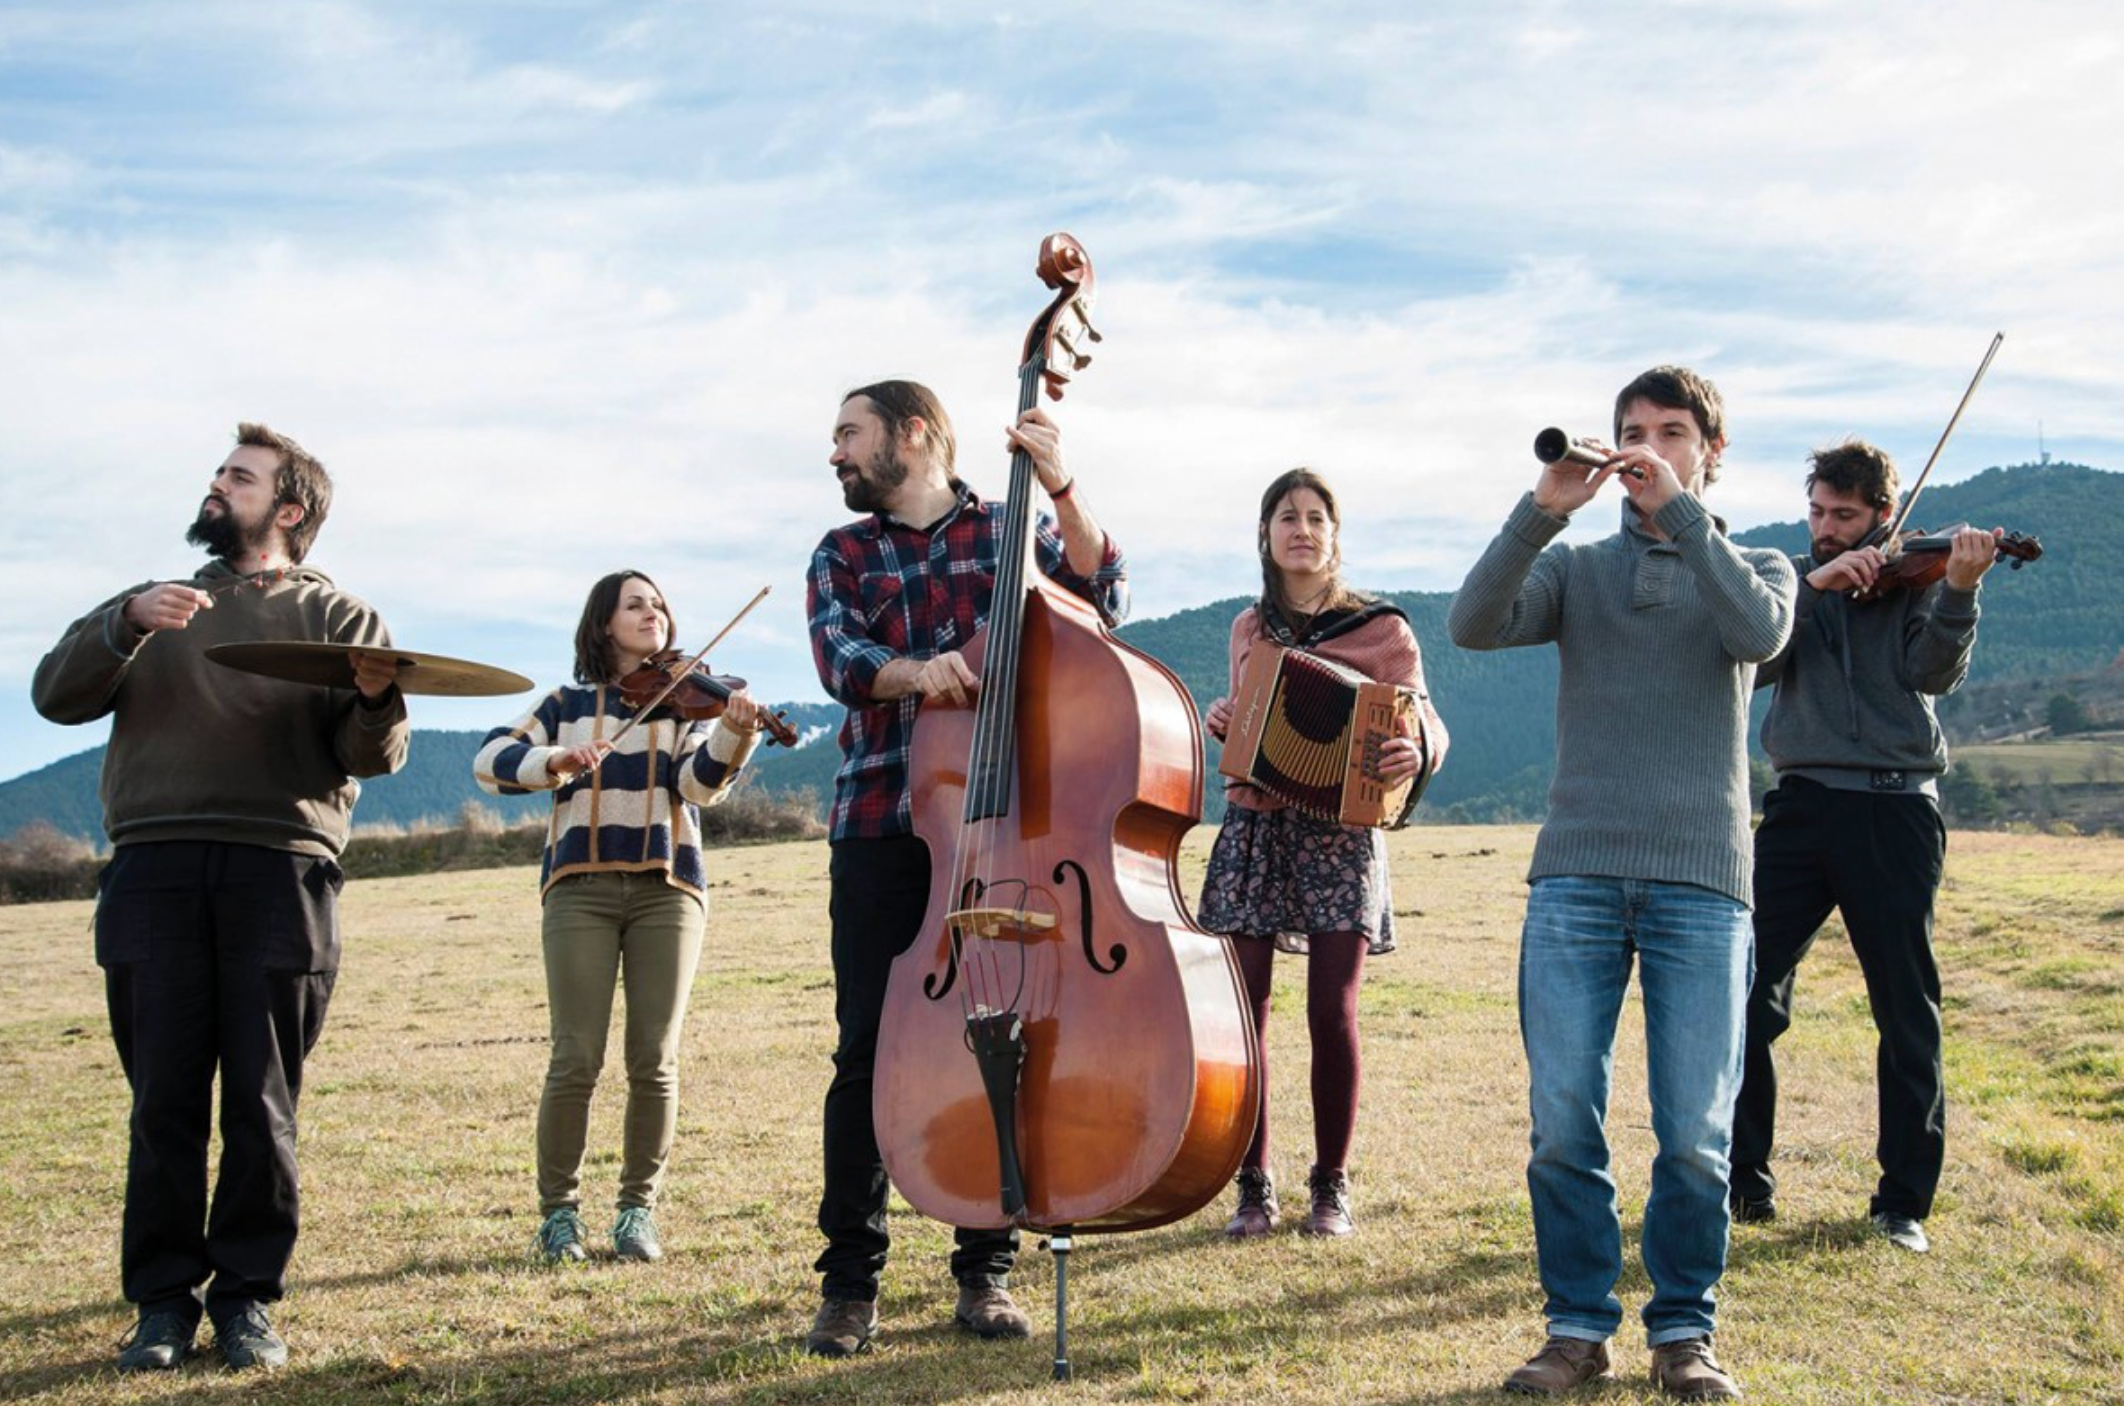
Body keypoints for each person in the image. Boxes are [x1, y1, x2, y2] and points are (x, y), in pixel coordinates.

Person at [1447, 368, 1795, 1400]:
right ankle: (1576, 1327)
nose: (1647, 446)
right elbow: (1472, 620)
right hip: (1577, 876)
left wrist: (1680, 514)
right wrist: (1540, 514)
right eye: (1631, 432)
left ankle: (1684, 1331)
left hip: (1703, 883)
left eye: (1672, 432)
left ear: (1710, 451)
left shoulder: (1760, 562)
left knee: (1694, 1128)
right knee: (1563, 1117)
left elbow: (1760, 635)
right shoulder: (1580, 569)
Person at [32, 423, 410, 1372]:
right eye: (217, 473)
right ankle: (162, 1304)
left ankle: (246, 1299)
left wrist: (373, 701)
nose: (215, 485)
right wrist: (122, 624)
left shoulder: (342, 617)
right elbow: (53, 695)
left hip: (279, 871)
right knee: (162, 1099)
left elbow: (372, 756)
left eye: (237, 478)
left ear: (288, 509)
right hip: (152, 868)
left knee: (261, 1097)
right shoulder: (151, 606)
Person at [801, 379, 1126, 1357]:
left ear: (914, 434)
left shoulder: (1007, 530)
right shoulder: (842, 550)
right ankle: (849, 1283)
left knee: (1000, 1028)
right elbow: (841, 660)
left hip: (1002, 827)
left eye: (848, 433)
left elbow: (1100, 596)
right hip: (881, 822)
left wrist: (1061, 485)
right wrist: (918, 671)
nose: (835, 453)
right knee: (867, 1050)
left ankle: (984, 1270)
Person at [1729, 440, 2000, 1255]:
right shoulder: (1788, 582)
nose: (1825, 527)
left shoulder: (1915, 577)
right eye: (1816, 511)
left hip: (1893, 808)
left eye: (1843, 517)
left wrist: (1957, 589)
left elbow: (1932, 674)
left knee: (1904, 1007)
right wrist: (1809, 592)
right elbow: (1757, 666)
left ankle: (1903, 1201)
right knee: (1746, 993)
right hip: (1800, 807)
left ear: (1883, 516)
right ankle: (1743, 1186)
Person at [473, 570, 763, 1266]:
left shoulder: (686, 705)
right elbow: (490, 763)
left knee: (654, 1060)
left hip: (668, 886)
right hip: (580, 888)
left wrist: (734, 735)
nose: (653, 613)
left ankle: (637, 1212)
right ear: (604, 622)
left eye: (660, 603)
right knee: (575, 1057)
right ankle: (558, 1215)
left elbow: (697, 789)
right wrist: (556, 760)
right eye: (636, 604)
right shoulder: (566, 703)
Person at [1199, 468, 1446, 1240]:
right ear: (1266, 535)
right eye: (1286, 517)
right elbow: (1249, 722)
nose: (1301, 529)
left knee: (1331, 1009)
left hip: (1343, 833)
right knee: (1247, 1014)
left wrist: (1417, 751)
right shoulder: (1249, 629)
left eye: (1315, 517)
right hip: (1256, 824)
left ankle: (1330, 1187)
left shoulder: (1383, 631)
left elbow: (1425, 721)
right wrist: (1224, 720)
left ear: (1335, 536)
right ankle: (1253, 1185)